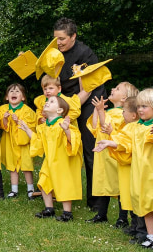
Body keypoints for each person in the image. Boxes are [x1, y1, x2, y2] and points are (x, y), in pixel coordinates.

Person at [53, 17, 105, 209]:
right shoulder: (55, 51)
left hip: (88, 102)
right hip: (67, 102)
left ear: (73, 36)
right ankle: (61, 193)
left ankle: (96, 201)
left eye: (62, 39)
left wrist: (72, 109)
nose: (58, 43)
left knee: (90, 150)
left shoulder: (85, 53)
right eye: (56, 39)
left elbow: (89, 87)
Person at [94, 88, 153, 248]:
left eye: (145, 106)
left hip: (150, 173)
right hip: (139, 172)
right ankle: (149, 235)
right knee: (143, 203)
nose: (140, 109)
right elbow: (126, 142)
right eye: (139, 106)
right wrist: (109, 142)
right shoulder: (136, 127)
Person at [19, 96, 82, 222]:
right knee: (43, 183)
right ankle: (49, 209)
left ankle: (67, 212)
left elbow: (73, 141)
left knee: (64, 184)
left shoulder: (62, 125)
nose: (47, 103)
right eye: (47, 101)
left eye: (52, 102)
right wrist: (27, 130)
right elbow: (38, 141)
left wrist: (67, 130)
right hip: (49, 161)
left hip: (62, 162)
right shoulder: (44, 127)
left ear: (59, 110)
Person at [86, 82, 138, 225]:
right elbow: (96, 127)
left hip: (114, 154)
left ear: (124, 98)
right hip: (102, 153)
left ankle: (122, 217)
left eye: (118, 88)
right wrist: (97, 110)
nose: (113, 89)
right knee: (104, 183)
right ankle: (101, 214)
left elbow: (106, 127)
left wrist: (101, 111)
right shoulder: (109, 112)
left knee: (119, 184)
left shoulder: (123, 115)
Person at [104, 97, 141, 237]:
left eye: (124, 111)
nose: (122, 114)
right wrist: (111, 134)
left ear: (133, 115)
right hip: (125, 169)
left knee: (134, 197)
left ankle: (139, 228)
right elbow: (121, 140)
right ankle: (135, 226)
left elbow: (125, 143)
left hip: (132, 169)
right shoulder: (128, 126)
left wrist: (111, 137)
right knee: (129, 197)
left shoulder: (134, 126)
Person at [0, 84, 37, 199]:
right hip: (10, 143)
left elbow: (31, 125)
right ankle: (14, 190)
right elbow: (2, 126)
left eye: (17, 91)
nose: (14, 93)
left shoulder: (27, 110)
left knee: (26, 166)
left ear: (23, 98)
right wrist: (5, 119)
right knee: (12, 166)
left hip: (23, 143)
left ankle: (30, 189)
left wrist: (18, 121)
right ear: (7, 97)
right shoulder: (3, 109)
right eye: (11, 91)